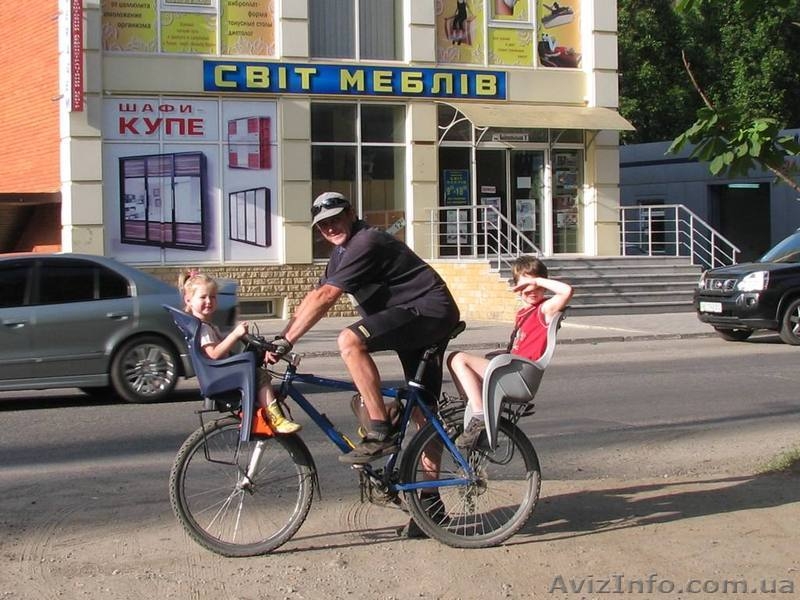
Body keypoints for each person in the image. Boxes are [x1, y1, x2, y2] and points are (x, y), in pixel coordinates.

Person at [269, 192, 461, 464]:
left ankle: (381, 430)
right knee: (423, 413)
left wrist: (287, 342)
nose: (330, 227)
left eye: (335, 219)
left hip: (429, 312)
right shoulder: (341, 253)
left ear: (351, 213)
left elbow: (326, 298)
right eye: (323, 225)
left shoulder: (366, 241)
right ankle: (429, 499)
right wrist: (281, 337)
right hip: (409, 318)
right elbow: (314, 297)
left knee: (349, 340)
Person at [446, 256, 572, 449]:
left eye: (537, 287)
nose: (532, 291)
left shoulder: (544, 309)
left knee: (458, 359)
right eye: (526, 287)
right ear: (517, 287)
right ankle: (474, 412)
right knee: (458, 364)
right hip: (512, 369)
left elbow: (567, 291)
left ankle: (479, 415)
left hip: (520, 373)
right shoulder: (523, 312)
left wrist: (535, 281)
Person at [180, 271, 301, 434]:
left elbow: (226, 348)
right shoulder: (203, 329)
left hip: (218, 373)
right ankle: (276, 419)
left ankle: (262, 412)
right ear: (188, 300)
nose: (209, 301)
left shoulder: (204, 325)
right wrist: (235, 334)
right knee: (259, 376)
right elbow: (214, 354)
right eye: (203, 297)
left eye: (213, 297)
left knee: (255, 367)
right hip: (218, 376)